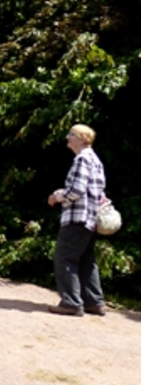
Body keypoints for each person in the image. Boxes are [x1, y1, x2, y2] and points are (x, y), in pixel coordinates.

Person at [47, 124, 107, 317]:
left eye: (71, 135)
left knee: (64, 257)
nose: (67, 138)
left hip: (77, 218)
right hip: (90, 219)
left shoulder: (82, 159)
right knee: (86, 260)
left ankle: (71, 303)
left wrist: (57, 196)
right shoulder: (95, 159)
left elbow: (76, 191)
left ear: (82, 138)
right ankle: (94, 302)